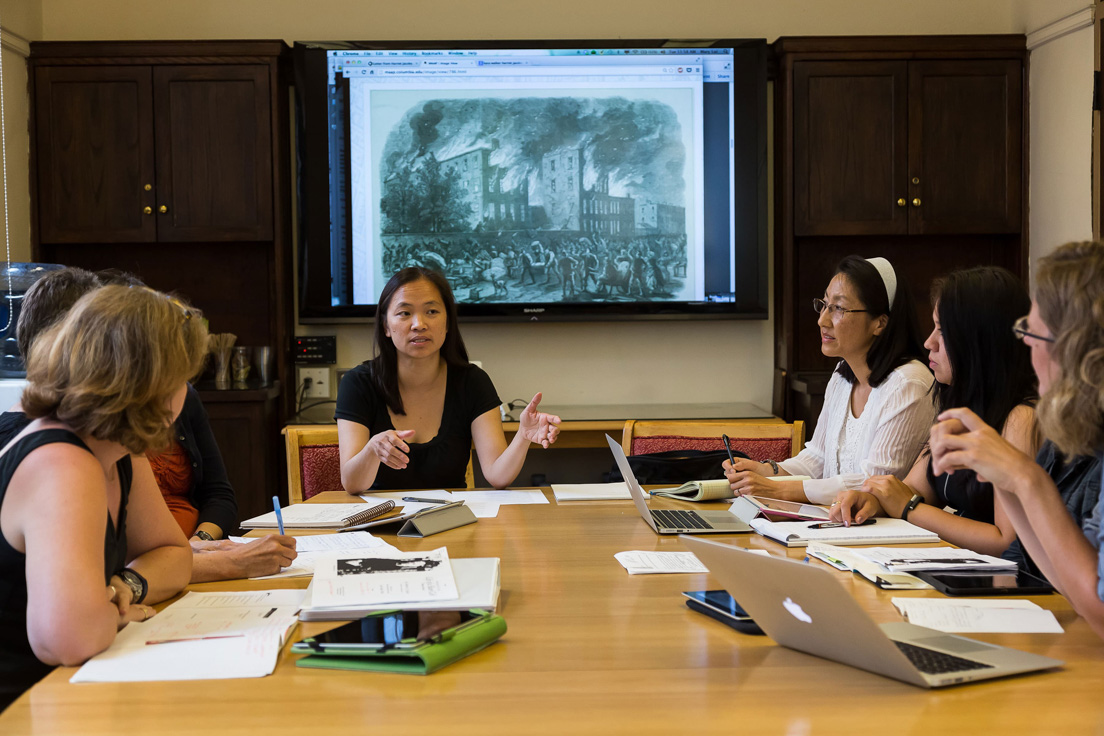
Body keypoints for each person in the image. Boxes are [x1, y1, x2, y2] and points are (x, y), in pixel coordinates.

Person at [7, 268, 296, 583]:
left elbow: (169, 553)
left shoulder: (116, 445)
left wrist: (130, 589)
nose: (185, 389)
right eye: (179, 374)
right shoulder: (62, 463)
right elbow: (72, 628)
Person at [0, 285, 199, 709]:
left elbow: (174, 557)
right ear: (157, 388)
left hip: (66, 694)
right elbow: (69, 640)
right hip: (23, 706)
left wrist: (124, 585)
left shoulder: (114, 450)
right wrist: (117, 609)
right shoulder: (62, 463)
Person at [931, 241, 1104, 639]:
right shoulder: (1069, 433)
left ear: (1075, 350)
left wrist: (1025, 477)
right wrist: (1003, 476)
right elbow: (1052, 571)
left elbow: (1096, 601)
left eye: (1035, 334)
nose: (1025, 343)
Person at [829, 267, 1039, 554]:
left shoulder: (1020, 419)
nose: (929, 342)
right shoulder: (960, 404)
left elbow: (1006, 540)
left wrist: (908, 509)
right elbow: (915, 489)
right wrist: (874, 501)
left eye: (943, 330)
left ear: (978, 340)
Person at [724, 256, 934, 503]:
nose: (822, 320)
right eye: (824, 305)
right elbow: (817, 458)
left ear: (879, 322)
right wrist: (767, 471)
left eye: (838, 308)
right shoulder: (842, 376)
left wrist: (777, 490)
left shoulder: (909, 383)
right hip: (834, 522)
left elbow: (874, 483)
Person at [337, 266, 560, 492]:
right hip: (382, 521)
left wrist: (522, 436)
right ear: (386, 325)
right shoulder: (358, 383)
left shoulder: (472, 381)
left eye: (431, 311)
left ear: (447, 322)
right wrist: (372, 449)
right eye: (404, 313)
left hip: (453, 521)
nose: (419, 324)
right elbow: (352, 484)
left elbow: (497, 475)